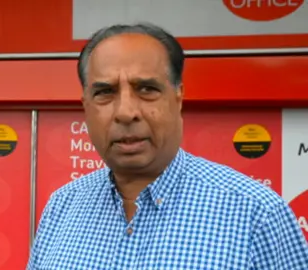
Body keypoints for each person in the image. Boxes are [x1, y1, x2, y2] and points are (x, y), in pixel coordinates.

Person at [27, 22, 308, 270]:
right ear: (85, 106)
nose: (126, 112)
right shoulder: (62, 207)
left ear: (178, 97)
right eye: (105, 92)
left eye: (147, 89)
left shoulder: (255, 214)